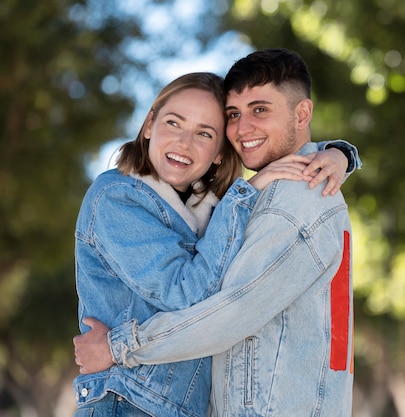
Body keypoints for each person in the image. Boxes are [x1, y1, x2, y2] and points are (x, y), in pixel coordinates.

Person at [74, 48, 358, 416]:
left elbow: (230, 311)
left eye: (205, 133)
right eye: (235, 116)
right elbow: (191, 294)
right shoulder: (119, 197)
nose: (243, 129)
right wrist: (337, 155)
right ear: (149, 126)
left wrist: (339, 154)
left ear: (219, 153)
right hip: (128, 401)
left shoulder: (283, 195)